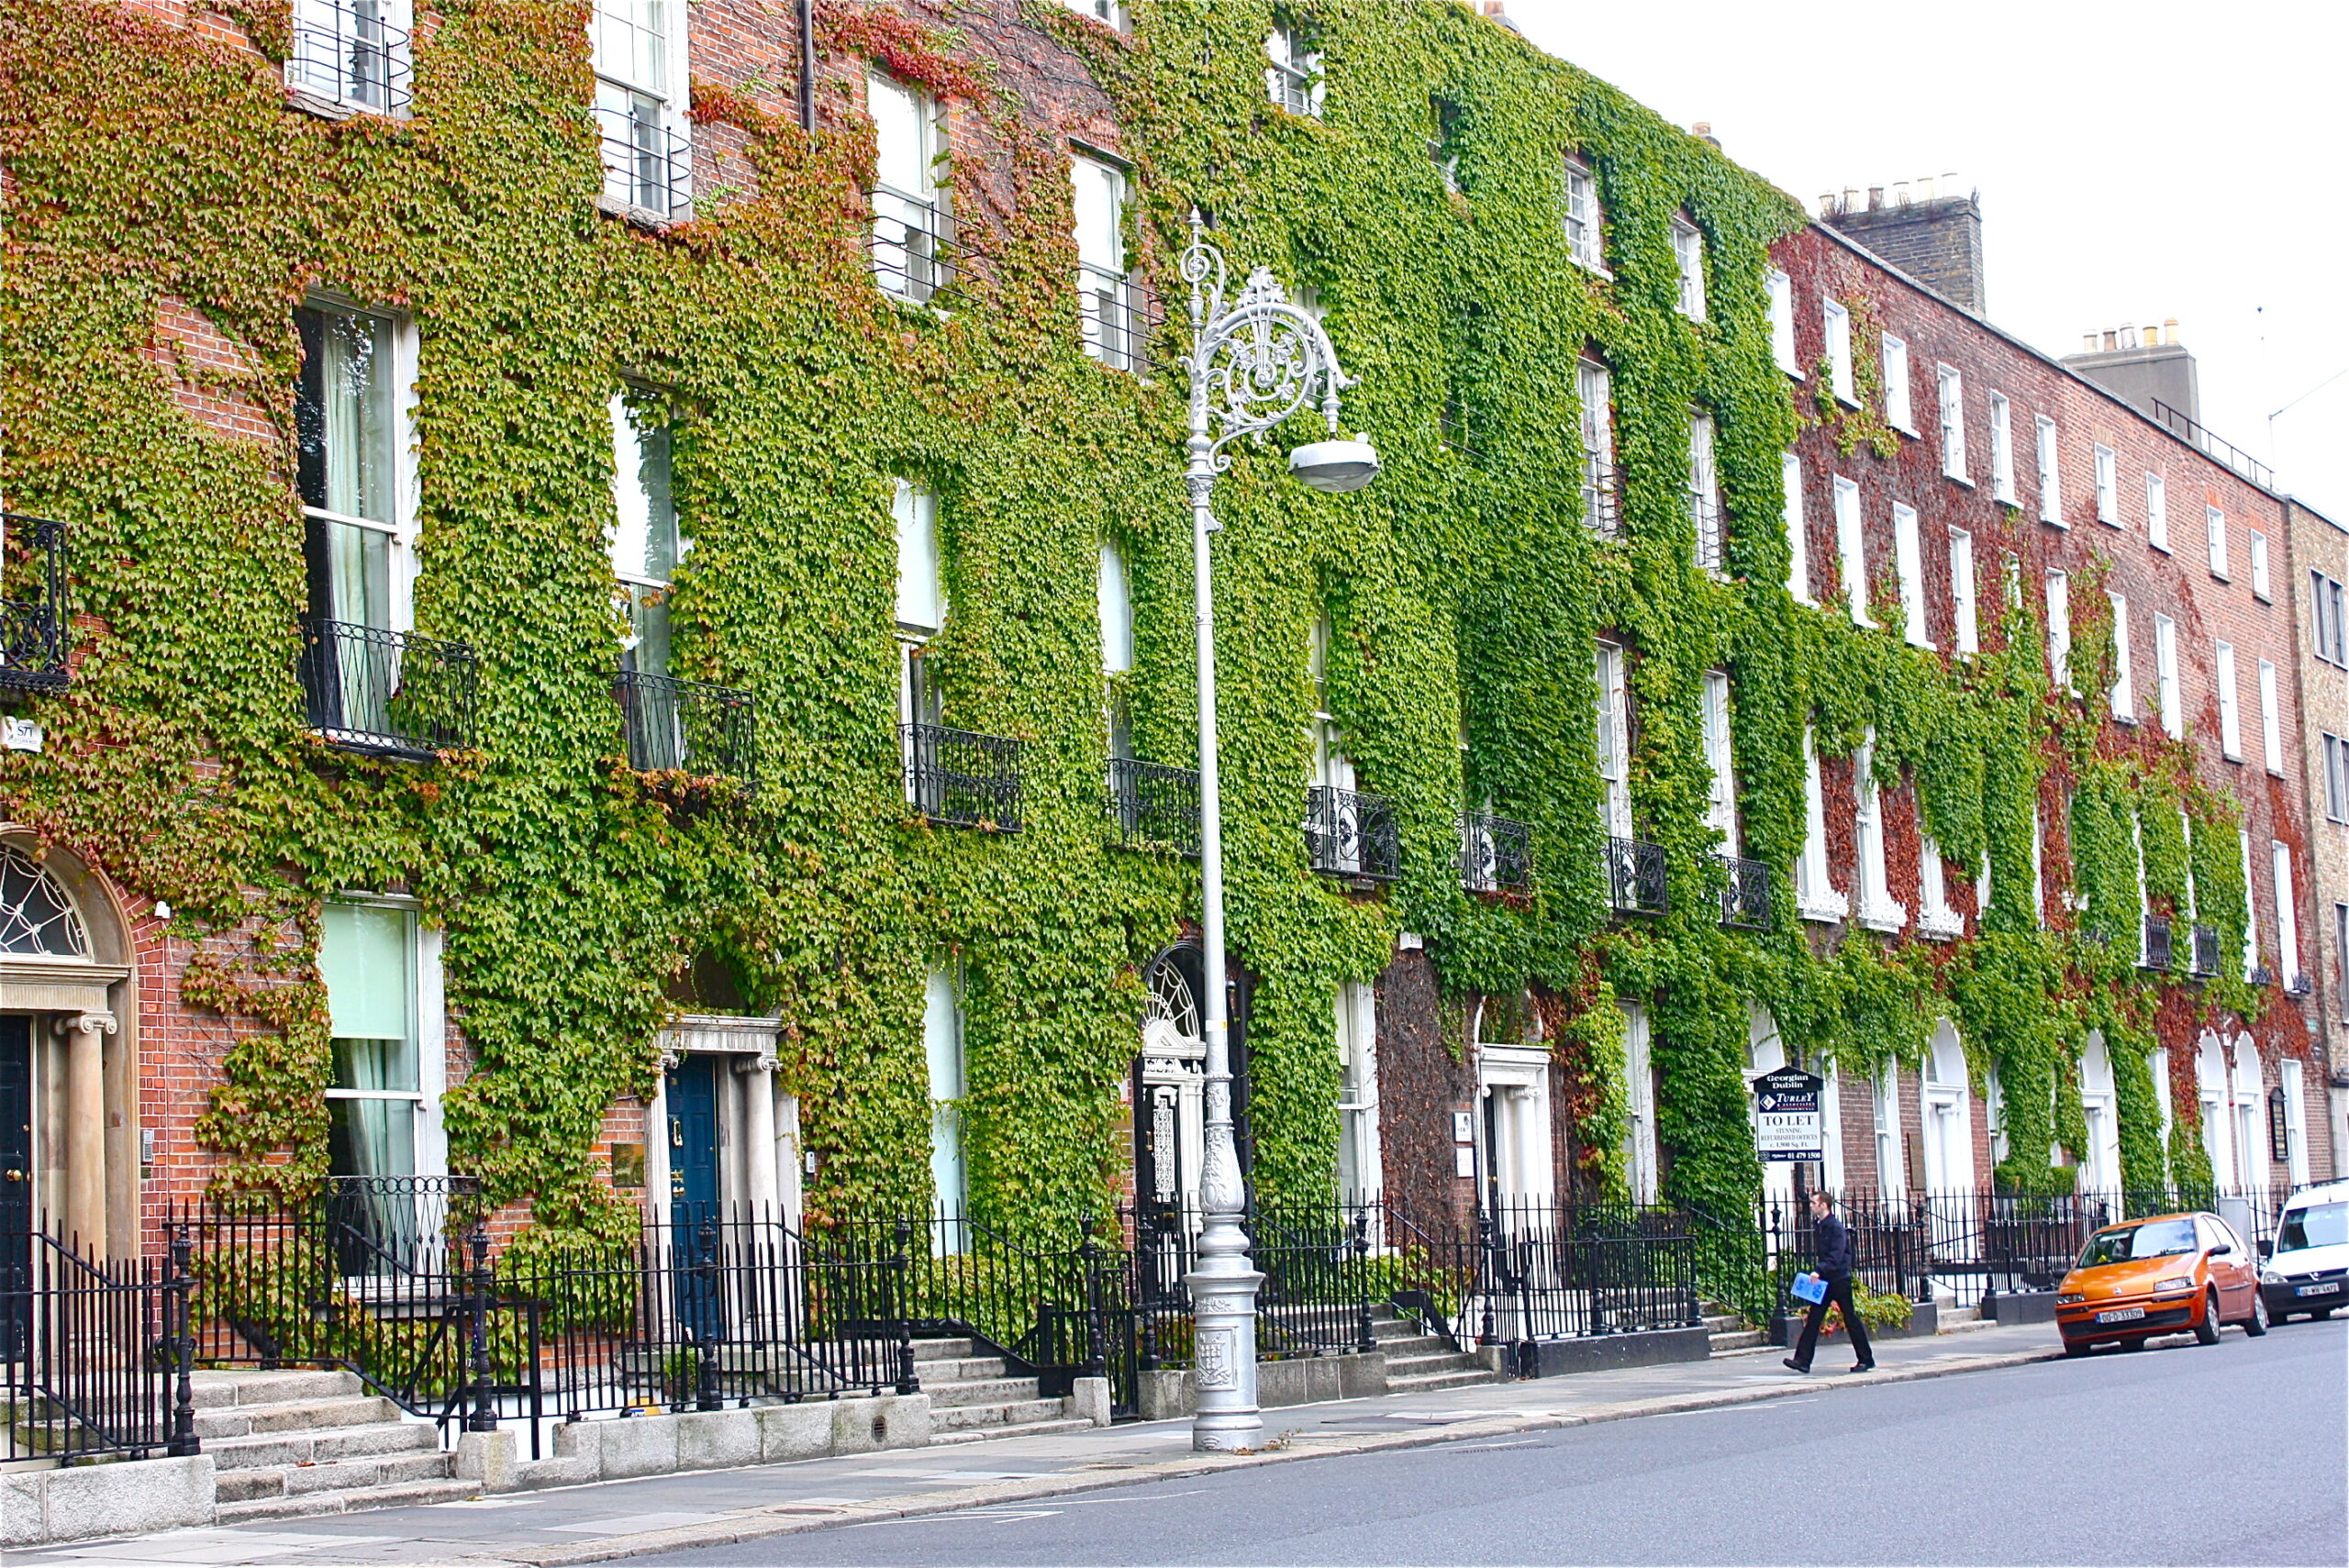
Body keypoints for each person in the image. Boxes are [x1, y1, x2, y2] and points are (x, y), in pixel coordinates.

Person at [1784, 1189, 1874, 1373]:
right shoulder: (1821, 1225)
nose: (1810, 1206)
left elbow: (1837, 1254)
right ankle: (1802, 1360)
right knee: (1814, 1319)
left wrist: (1819, 1270)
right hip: (1826, 1281)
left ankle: (1866, 1359)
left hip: (1839, 1279)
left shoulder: (1834, 1226)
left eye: (1813, 1203)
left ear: (1823, 1205)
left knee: (1851, 1318)